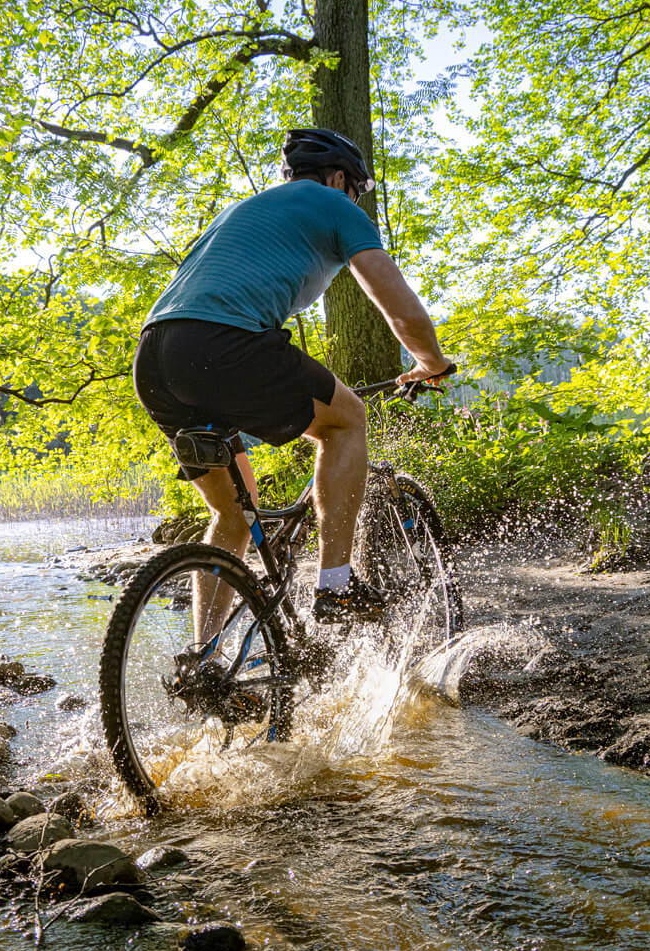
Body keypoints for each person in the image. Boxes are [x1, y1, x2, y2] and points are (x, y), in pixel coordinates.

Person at [132, 127, 453, 626]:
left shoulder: (242, 210)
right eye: (356, 191)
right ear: (340, 178)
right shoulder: (334, 204)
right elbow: (398, 306)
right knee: (346, 420)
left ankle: (205, 661)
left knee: (233, 516)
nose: (355, 201)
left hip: (155, 358)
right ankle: (335, 586)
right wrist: (431, 361)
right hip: (224, 343)